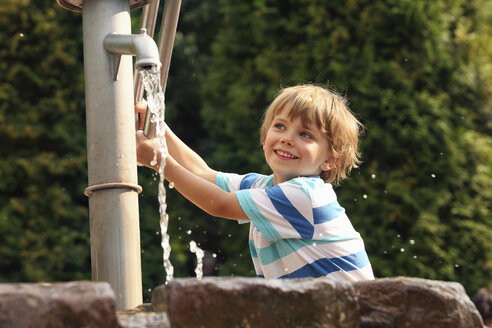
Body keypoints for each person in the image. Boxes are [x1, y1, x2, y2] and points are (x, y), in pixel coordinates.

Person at [135, 84, 374, 281]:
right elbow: (202, 173)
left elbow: (218, 204)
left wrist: (160, 162)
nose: (287, 139)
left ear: (330, 160)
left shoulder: (306, 196)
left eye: (305, 134)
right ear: (264, 136)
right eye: (280, 126)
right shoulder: (264, 188)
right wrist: (159, 127)